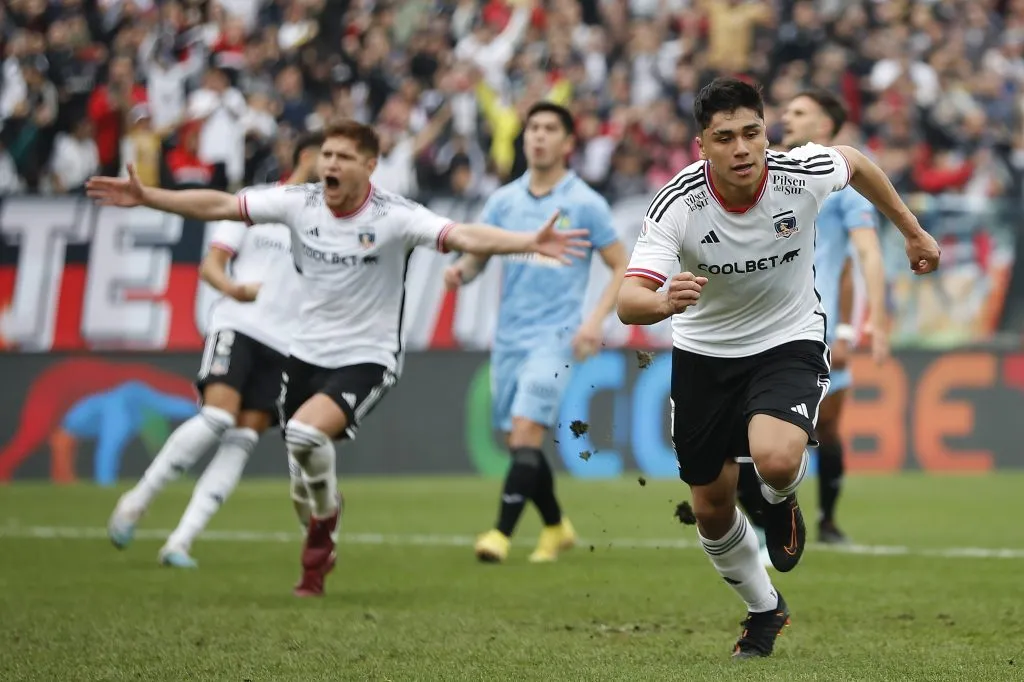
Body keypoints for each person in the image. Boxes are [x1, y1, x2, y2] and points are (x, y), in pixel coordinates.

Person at [86, 118, 590, 597]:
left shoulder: (393, 216)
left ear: (368, 166)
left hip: (367, 357)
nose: (331, 162)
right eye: (327, 153)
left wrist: (528, 241)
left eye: (344, 156)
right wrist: (148, 196)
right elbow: (219, 205)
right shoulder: (298, 203)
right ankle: (321, 516)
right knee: (302, 479)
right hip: (303, 353)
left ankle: (323, 526)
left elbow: (462, 235)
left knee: (306, 435)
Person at [615, 78, 939, 659]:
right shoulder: (677, 204)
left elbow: (857, 162)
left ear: (766, 133)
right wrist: (664, 300)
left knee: (777, 455)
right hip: (704, 355)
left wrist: (912, 231)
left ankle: (778, 498)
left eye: (752, 133)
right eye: (725, 138)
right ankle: (765, 610)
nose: (742, 148)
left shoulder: (800, 174)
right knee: (711, 509)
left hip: (787, 339)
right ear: (701, 146)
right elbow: (629, 300)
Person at [105, 132, 324, 568]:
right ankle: (137, 501)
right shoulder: (255, 201)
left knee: (242, 439)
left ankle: (180, 542)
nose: (336, 167)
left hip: (285, 344)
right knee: (218, 416)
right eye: (329, 156)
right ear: (307, 156)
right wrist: (232, 289)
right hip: (239, 325)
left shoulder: (326, 225)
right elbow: (211, 265)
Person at [444, 102, 627, 564]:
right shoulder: (504, 201)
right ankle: (555, 526)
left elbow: (622, 265)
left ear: (568, 144)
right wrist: (461, 273)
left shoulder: (586, 202)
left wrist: (594, 321)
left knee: (526, 431)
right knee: (517, 441)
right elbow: (480, 251)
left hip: (558, 337)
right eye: (533, 129)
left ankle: (499, 535)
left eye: (549, 129)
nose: (539, 136)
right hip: (509, 337)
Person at [737, 89, 891, 552]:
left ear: (826, 127)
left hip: (817, 328)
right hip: (760, 323)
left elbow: (860, 257)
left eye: (800, 112)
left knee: (823, 430)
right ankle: (775, 522)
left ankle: (823, 521)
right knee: (750, 438)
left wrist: (860, 326)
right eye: (786, 111)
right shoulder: (770, 174)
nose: (787, 117)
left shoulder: (842, 186)